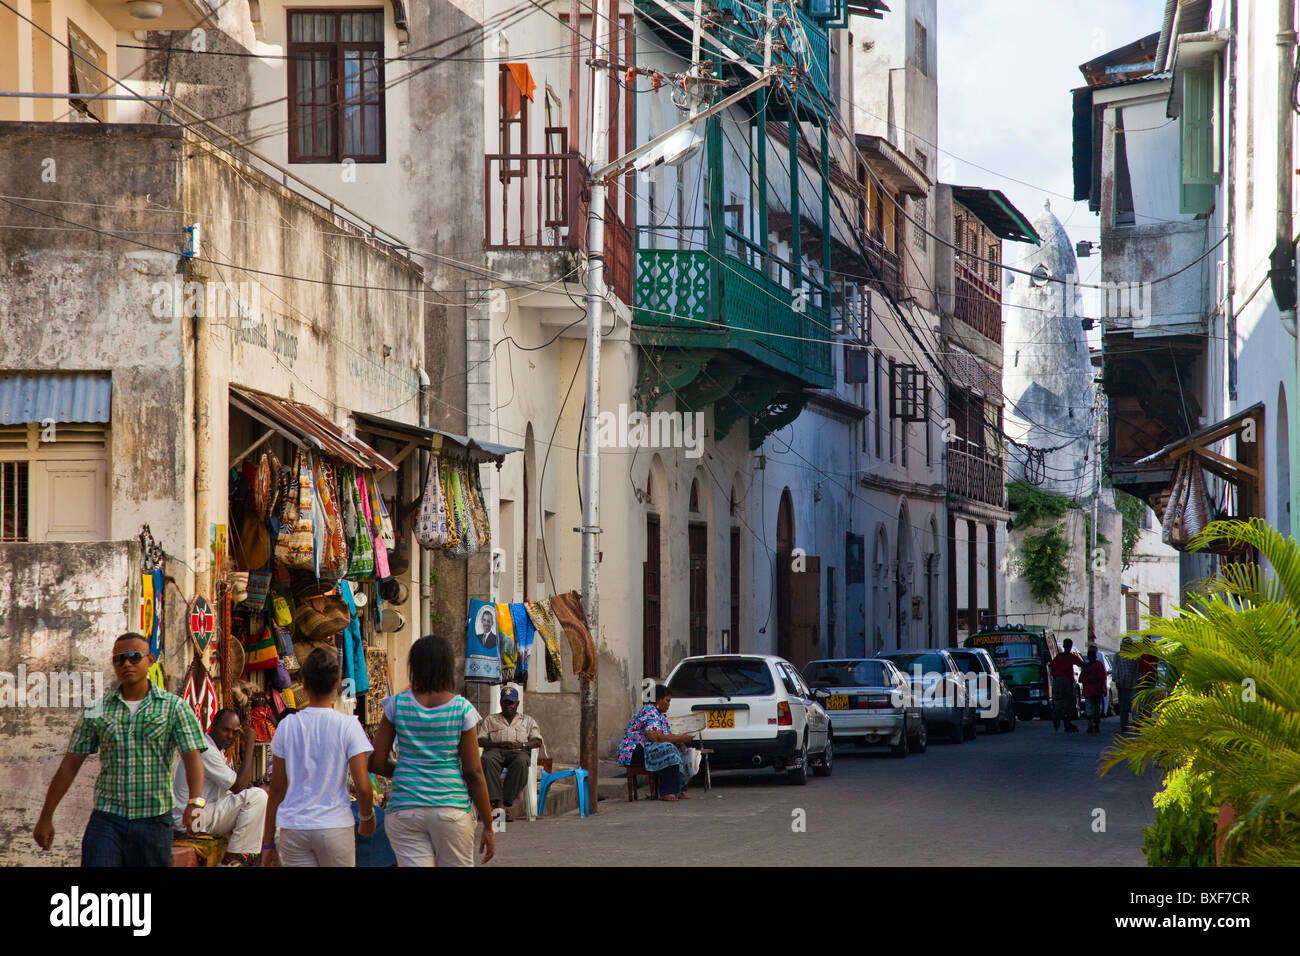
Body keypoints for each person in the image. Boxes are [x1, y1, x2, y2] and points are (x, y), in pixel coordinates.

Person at [33, 632, 208, 866]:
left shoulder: (174, 707)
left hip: (154, 820)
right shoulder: (97, 709)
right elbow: (70, 764)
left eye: (134, 657)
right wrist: (46, 816)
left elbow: (192, 758)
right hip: (108, 819)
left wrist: (195, 803)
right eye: (119, 659)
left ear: (150, 660)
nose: (127, 664)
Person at [369, 635, 495, 866]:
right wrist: (488, 824)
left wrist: (406, 769)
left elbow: (376, 762)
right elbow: (473, 772)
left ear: (414, 666)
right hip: (451, 809)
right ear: (447, 667)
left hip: (404, 809)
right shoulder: (462, 709)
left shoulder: (396, 705)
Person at [261, 648, 375, 867]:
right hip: (334, 826)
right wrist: (367, 817)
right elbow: (362, 786)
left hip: (294, 828)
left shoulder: (287, 726)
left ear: (303, 683)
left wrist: (267, 844)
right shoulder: (348, 726)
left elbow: (276, 789)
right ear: (337, 684)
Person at [172, 708, 267, 865]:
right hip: (191, 818)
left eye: (235, 732)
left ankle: (235, 855)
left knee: (250, 798)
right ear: (213, 726)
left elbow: (240, 786)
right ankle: (231, 859)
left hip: (202, 814)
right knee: (258, 797)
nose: (230, 736)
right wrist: (249, 746)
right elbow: (239, 786)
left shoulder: (216, 750)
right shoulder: (206, 749)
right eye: (225, 730)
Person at [616, 684, 694, 801]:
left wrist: (681, 742)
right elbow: (655, 738)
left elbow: (666, 735)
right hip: (633, 750)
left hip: (648, 747)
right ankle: (666, 792)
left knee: (684, 752)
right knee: (669, 750)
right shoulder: (649, 711)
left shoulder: (661, 715)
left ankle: (678, 789)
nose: (669, 705)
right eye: (667, 701)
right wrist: (679, 739)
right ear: (658, 700)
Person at [478, 685, 543, 821]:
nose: (508, 706)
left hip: (518, 751)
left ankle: (503, 804)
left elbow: (537, 741)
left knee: (521, 761)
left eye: (511, 703)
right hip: (496, 750)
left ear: (517, 704)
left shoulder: (527, 720)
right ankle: (498, 803)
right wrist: (497, 744)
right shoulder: (491, 719)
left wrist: (522, 745)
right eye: (505, 703)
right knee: (487, 759)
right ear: (500, 703)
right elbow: (480, 740)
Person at [1048, 638, 1085, 733]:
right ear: (1071, 646)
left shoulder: (1058, 657)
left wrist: (1056, 677)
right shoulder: (1071, 656)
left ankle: (1056, 718)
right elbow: (1082, 664)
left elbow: (1051, 667)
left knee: (1058, 701)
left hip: (1057, 682)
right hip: (1067, 682)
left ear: (1064, 646)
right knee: (1069, 703)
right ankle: (1067, 724)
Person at [1113, 637, 1141, 733]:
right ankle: (1124, 725)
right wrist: (1116, 680)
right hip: (1122, 684)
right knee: (1124, 707)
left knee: (1135, 705)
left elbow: (1138, 669)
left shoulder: (1135, 656)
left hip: (1134, 684)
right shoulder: (1118, 655)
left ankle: (1136, 724)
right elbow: (1115, 669)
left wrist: (1139, 681)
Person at [1080, 646, 1108, 733]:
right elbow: (1103, 678)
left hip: (1088, 691)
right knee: (1096, 707)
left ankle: (1090, 723)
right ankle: (1096, 724)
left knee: (1089, 707)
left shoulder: (1086, 667)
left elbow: (1081, 679)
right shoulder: (1099, 665)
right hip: (1097, 690)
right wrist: (1104, 688)